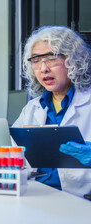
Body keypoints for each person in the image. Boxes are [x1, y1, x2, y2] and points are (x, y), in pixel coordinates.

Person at [12, 25, 91, 197]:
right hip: (36, 195)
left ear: (73, 59)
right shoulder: (32, 108)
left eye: (52, 58)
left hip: (78, 199)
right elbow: (13, 154)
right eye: (36, 60)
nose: (43, 68)